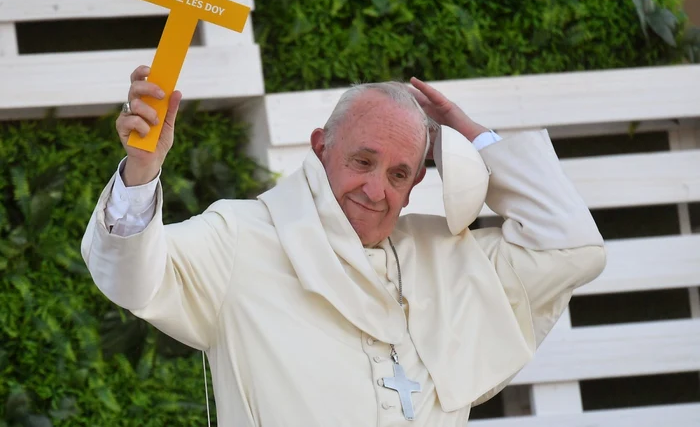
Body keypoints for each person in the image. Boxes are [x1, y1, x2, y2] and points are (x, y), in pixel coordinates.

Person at [81, 65, 606, 427]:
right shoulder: (240, 236)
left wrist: (468, 133)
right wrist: (143, 169)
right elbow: (130, 276)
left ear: (417, 183)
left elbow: (572, 247)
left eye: (398, 174)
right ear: (320, 146)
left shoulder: (447, 256)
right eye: (362, 162)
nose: (376, 190)